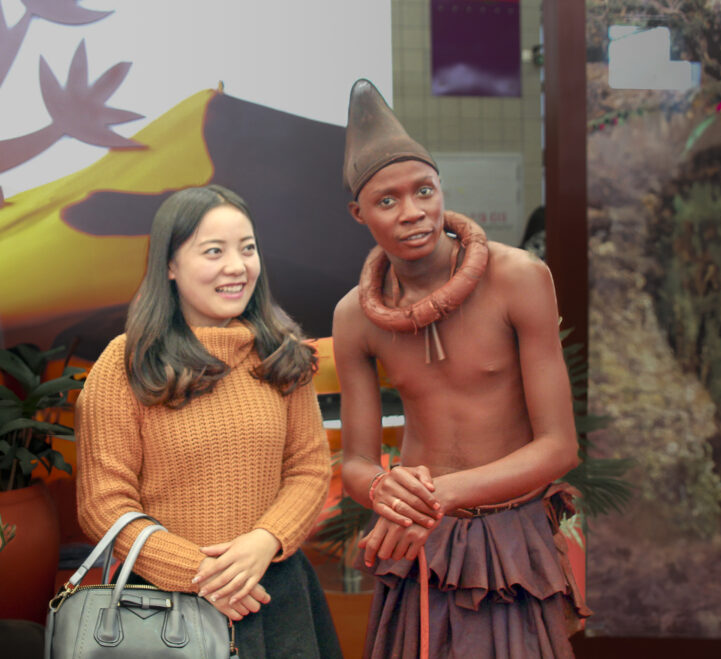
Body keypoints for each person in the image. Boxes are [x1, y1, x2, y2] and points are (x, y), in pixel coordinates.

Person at [333, 79, 590, 657]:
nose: (414, 213)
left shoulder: (518, 278)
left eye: (424, 190)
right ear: (359, 213)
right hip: (419, 539)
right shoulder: (355, 316)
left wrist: (437, 495)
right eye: (387, 201)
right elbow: (353, 461)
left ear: (441, 187)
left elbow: (559, 448)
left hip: (508, 533)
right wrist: (384, 490)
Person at [76, 184, 342, 658]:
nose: (237, 267)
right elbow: (104, 506)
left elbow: (309, 469)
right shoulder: (125, 364)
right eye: (213, 252)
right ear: (171, 266)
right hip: (161, 606)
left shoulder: (283, 355)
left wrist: (265, 541)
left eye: (248, 249)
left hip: (275, 594)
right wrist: (202, 574)